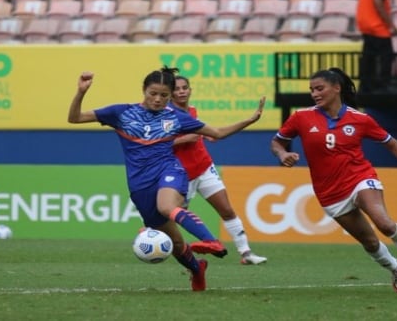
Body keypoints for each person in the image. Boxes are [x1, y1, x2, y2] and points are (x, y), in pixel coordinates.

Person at [68, 66, 265, 291]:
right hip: (140, 185)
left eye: (164, 95)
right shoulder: (121, 113)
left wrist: (250, 120)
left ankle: (211, 240)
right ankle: (197, 269)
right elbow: (74, 118)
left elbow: (217, 133)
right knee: (177, 244)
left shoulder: (177, 118)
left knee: (166, 206)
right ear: (144, 90)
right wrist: (81, 92)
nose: (158, 99)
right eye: (153, 93)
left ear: (169, 96)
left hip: (169, 170)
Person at [270, 67, 397, 294]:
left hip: (360, 178)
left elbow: (392, 143)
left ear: (336, 88)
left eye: (319, 88)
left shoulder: (360, 119)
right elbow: (277, 142)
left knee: (384, 223)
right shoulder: (301, 117)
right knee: (369, 242)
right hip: (329, 193)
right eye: (312, 90)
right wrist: (283, 154)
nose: (315, 94)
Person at [170, 75, 268, 265]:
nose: (181, 91)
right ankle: (151, 236)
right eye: (177, 88)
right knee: (171, 215)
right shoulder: (166, 114)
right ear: (171, 93)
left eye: (185, 87)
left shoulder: (191, 111)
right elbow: (158, 144)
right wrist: (183, 140)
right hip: (182, 174)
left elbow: (205, 132)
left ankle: (246, 254)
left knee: (226, 210)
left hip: (205, 168)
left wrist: (203, 137)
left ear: (191, 90)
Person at [356, 0, 397, 93]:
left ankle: (366, 86)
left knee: (368, 58)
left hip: (367, 28)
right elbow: (378, 4)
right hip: (378, 29)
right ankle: (384, 85)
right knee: (387, 57)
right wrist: (391, 25)